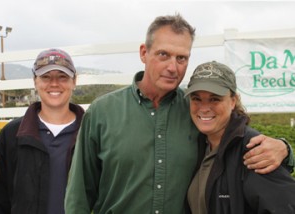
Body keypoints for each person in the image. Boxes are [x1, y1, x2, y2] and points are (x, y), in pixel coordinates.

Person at [65, 14, 292, 214]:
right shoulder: (103, 111)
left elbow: (236, 137)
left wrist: (284, 149)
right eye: (163, 54)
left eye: (181, 58)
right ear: (144, 53)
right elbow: (79, 194)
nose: (173, 67)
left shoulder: (195, 109)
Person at [185, 61, 295, 214]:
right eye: (196, 98)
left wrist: (286, 150)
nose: (204, 108)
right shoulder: (198, 145)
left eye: (214, 99)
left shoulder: (255, 151)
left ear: (232, 101)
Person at [0, 48, 85, 214]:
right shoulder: (12, 134)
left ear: (74, 81)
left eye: (62, 76)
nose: (54, 84)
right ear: (35, 81)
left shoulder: (91, 133)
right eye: (45, 77)